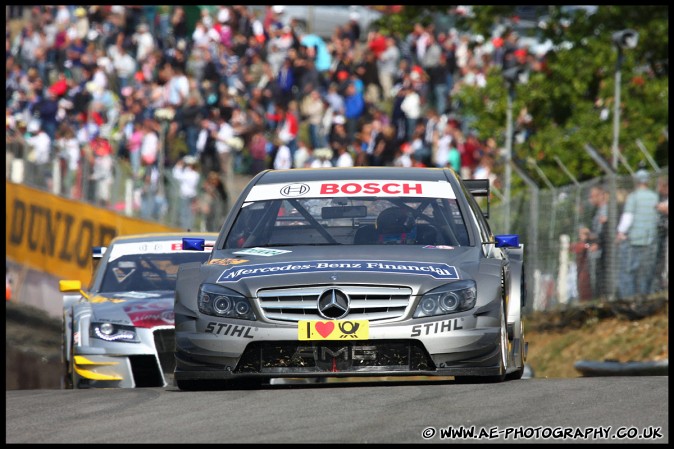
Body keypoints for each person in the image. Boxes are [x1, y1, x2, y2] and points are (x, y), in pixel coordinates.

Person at [615, 169, 659, 299]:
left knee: (628, 271)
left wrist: (620, 232)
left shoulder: (633, 197)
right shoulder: (654, 197)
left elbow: (628, 217)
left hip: (633, 240)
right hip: (649, 239)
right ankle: (646, 297)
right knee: (646, 272)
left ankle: (629, 298)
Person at [587, 185, 609, 298]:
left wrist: (596, 241)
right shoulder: (598, 211)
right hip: (598, 247)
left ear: (600, 196)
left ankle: (600, 297)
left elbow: (602, 231)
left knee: (599, 277)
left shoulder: (604, 210)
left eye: (592, 196)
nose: (590, 199)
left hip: (600, 250)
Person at [570, 226, 593, 302]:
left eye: (582, 234)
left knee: (584, 286)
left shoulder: (588, 244)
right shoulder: (581, 244)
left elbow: (584, 247)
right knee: (580, 286)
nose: (580, 236)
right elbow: (572, 248)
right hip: (580, 269)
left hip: (586, 269)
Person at [654, 176, 668, 292]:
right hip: (660, 234)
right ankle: (660, 286)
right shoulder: (659, 198)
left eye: (660, 185)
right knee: (660, 262)